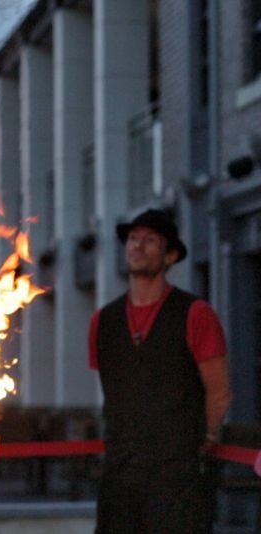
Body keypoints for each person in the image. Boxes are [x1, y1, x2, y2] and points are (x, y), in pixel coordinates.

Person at [88, 209, 232, 533]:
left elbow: (220, 393)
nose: (138, 246)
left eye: (150, 241)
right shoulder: (103, 321)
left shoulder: (196, 313)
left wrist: (202, 438)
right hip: (119, 475)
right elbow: (114, 390)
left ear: (170, 255)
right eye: (133, 239)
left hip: (175, 477)